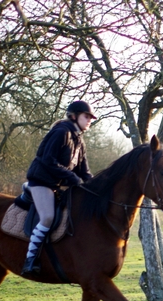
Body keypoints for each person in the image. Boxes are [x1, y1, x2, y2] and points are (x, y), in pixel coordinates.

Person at [21, 100, 95, 276]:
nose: (89, 120)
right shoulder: (61, 132)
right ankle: (30, 260)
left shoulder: (79, 140)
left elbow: (84, 172)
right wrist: (72, 178)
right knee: (47, 217)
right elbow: (48, 160)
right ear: (74, 116)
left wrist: (96, 187)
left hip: (56, 186)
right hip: (41, 181)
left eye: (90, 118)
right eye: (86, 116)